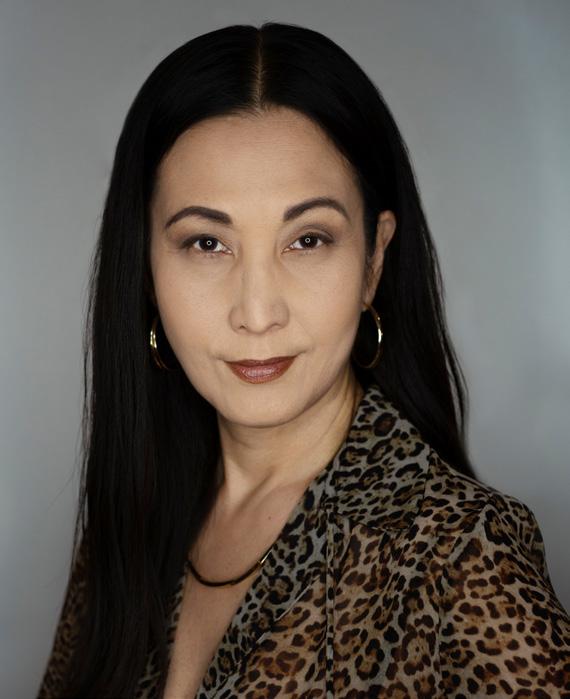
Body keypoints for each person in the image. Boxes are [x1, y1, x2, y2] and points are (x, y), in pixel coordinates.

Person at [37, 21, 570, 699]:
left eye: (308, 239)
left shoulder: (455, 553)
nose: (257, 312)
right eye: (206, 243)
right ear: (144, 269)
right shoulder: (127, 525)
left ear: (373, 260)